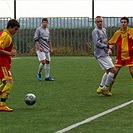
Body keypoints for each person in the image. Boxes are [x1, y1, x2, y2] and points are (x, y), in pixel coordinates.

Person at [92, 16, 116, 96]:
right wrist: (107, 47)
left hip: (105, 52)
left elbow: (105, 41)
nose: (100, 23)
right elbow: (97, 43)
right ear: (95, 23)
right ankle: (105, 88)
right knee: (113, 71)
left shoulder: (104, 30)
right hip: (100, 54)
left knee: (108, 71)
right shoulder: (95, 31)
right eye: (98, 22)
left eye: (101, 21)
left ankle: (100, 87)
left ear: (103, 22)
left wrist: (108, 49)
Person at [108, 16, 133, 91]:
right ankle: (108, 88)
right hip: (120, 56)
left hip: (131, 55)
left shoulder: (131, 31)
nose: (123, 24)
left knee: (132, 72)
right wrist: (110, 49)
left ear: (127, 23)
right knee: (114, 72)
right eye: (122, 22)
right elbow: (110, 42)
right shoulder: (117, 33)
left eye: (125, 22)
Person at [0, 19, 20, 112]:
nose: (16, 31)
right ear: (10, 27)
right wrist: (10, 53)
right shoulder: (6, 36)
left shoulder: (5, 34)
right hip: (2, 63)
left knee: (5, 83)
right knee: (9, 83)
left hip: (4, 63)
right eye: (15, 29)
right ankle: (2, 105)